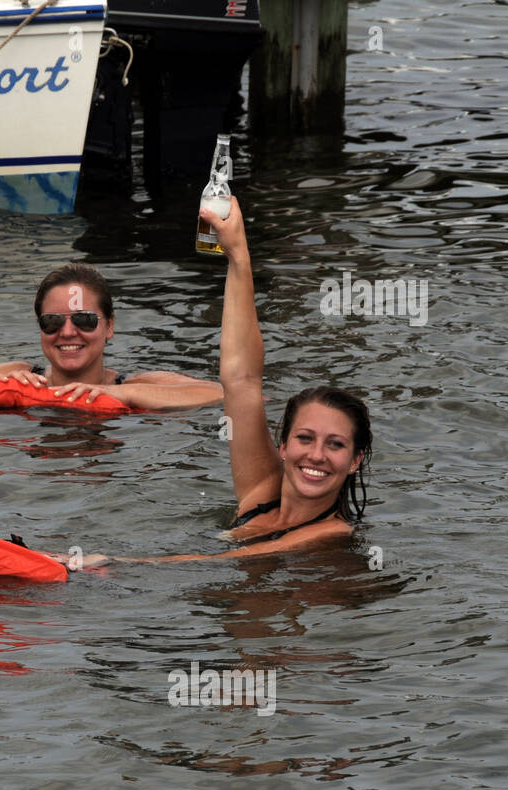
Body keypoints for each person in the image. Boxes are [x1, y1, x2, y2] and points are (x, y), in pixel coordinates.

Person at [63, 197, 371, 565]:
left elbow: (221, 563)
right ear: (283, 445)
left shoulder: (331, 534)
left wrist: (111, 564)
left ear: (355, 461)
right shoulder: (262, 493)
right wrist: (238, 256)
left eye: (335, 445)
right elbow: (240, 378)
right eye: (305, 438)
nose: (316, 455)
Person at [0, 262, 223, 410]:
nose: (68, 332)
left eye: (84, 320)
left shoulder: (128, 384)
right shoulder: (18, 374)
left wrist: (122, 396)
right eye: (53, 322)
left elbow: (223, 395)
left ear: (109, 326)